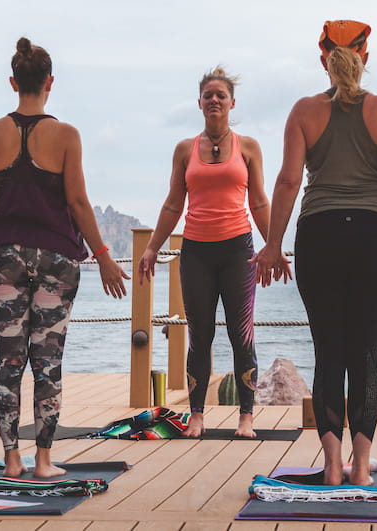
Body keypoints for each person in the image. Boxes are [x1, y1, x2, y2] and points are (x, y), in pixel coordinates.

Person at [252, 20, 377, 485]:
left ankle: (330, 466)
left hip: (319, 234)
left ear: (323, 58)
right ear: (366, 57)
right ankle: (361, 468)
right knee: (365, 351)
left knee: (329, 351)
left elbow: (286, 181)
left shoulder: (303, 111)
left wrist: (272, 245)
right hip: (374, 234)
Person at [0, 37, 129, 478]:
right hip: (57, 261)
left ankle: (11, 459)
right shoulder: (66, 136)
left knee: (9, 359)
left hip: (4, 257)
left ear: (13, 82)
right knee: (48, 360)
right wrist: (103, 256)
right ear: (50, 82)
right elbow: (79, 203)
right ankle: (44, 460)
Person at [137, 67, 285, 438]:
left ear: (232, 103)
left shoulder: (248, 147)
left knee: (242, 334)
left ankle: (246, 418)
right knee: (199, 335)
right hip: (196, 252)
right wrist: (153, 247)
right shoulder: (185, 150)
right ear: (200, 103)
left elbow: (259, 201)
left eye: (221, 95)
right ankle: (197, 416)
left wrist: (274, 246)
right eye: (208, 95)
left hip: (238, 251)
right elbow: (173, 203)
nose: (214, 100)